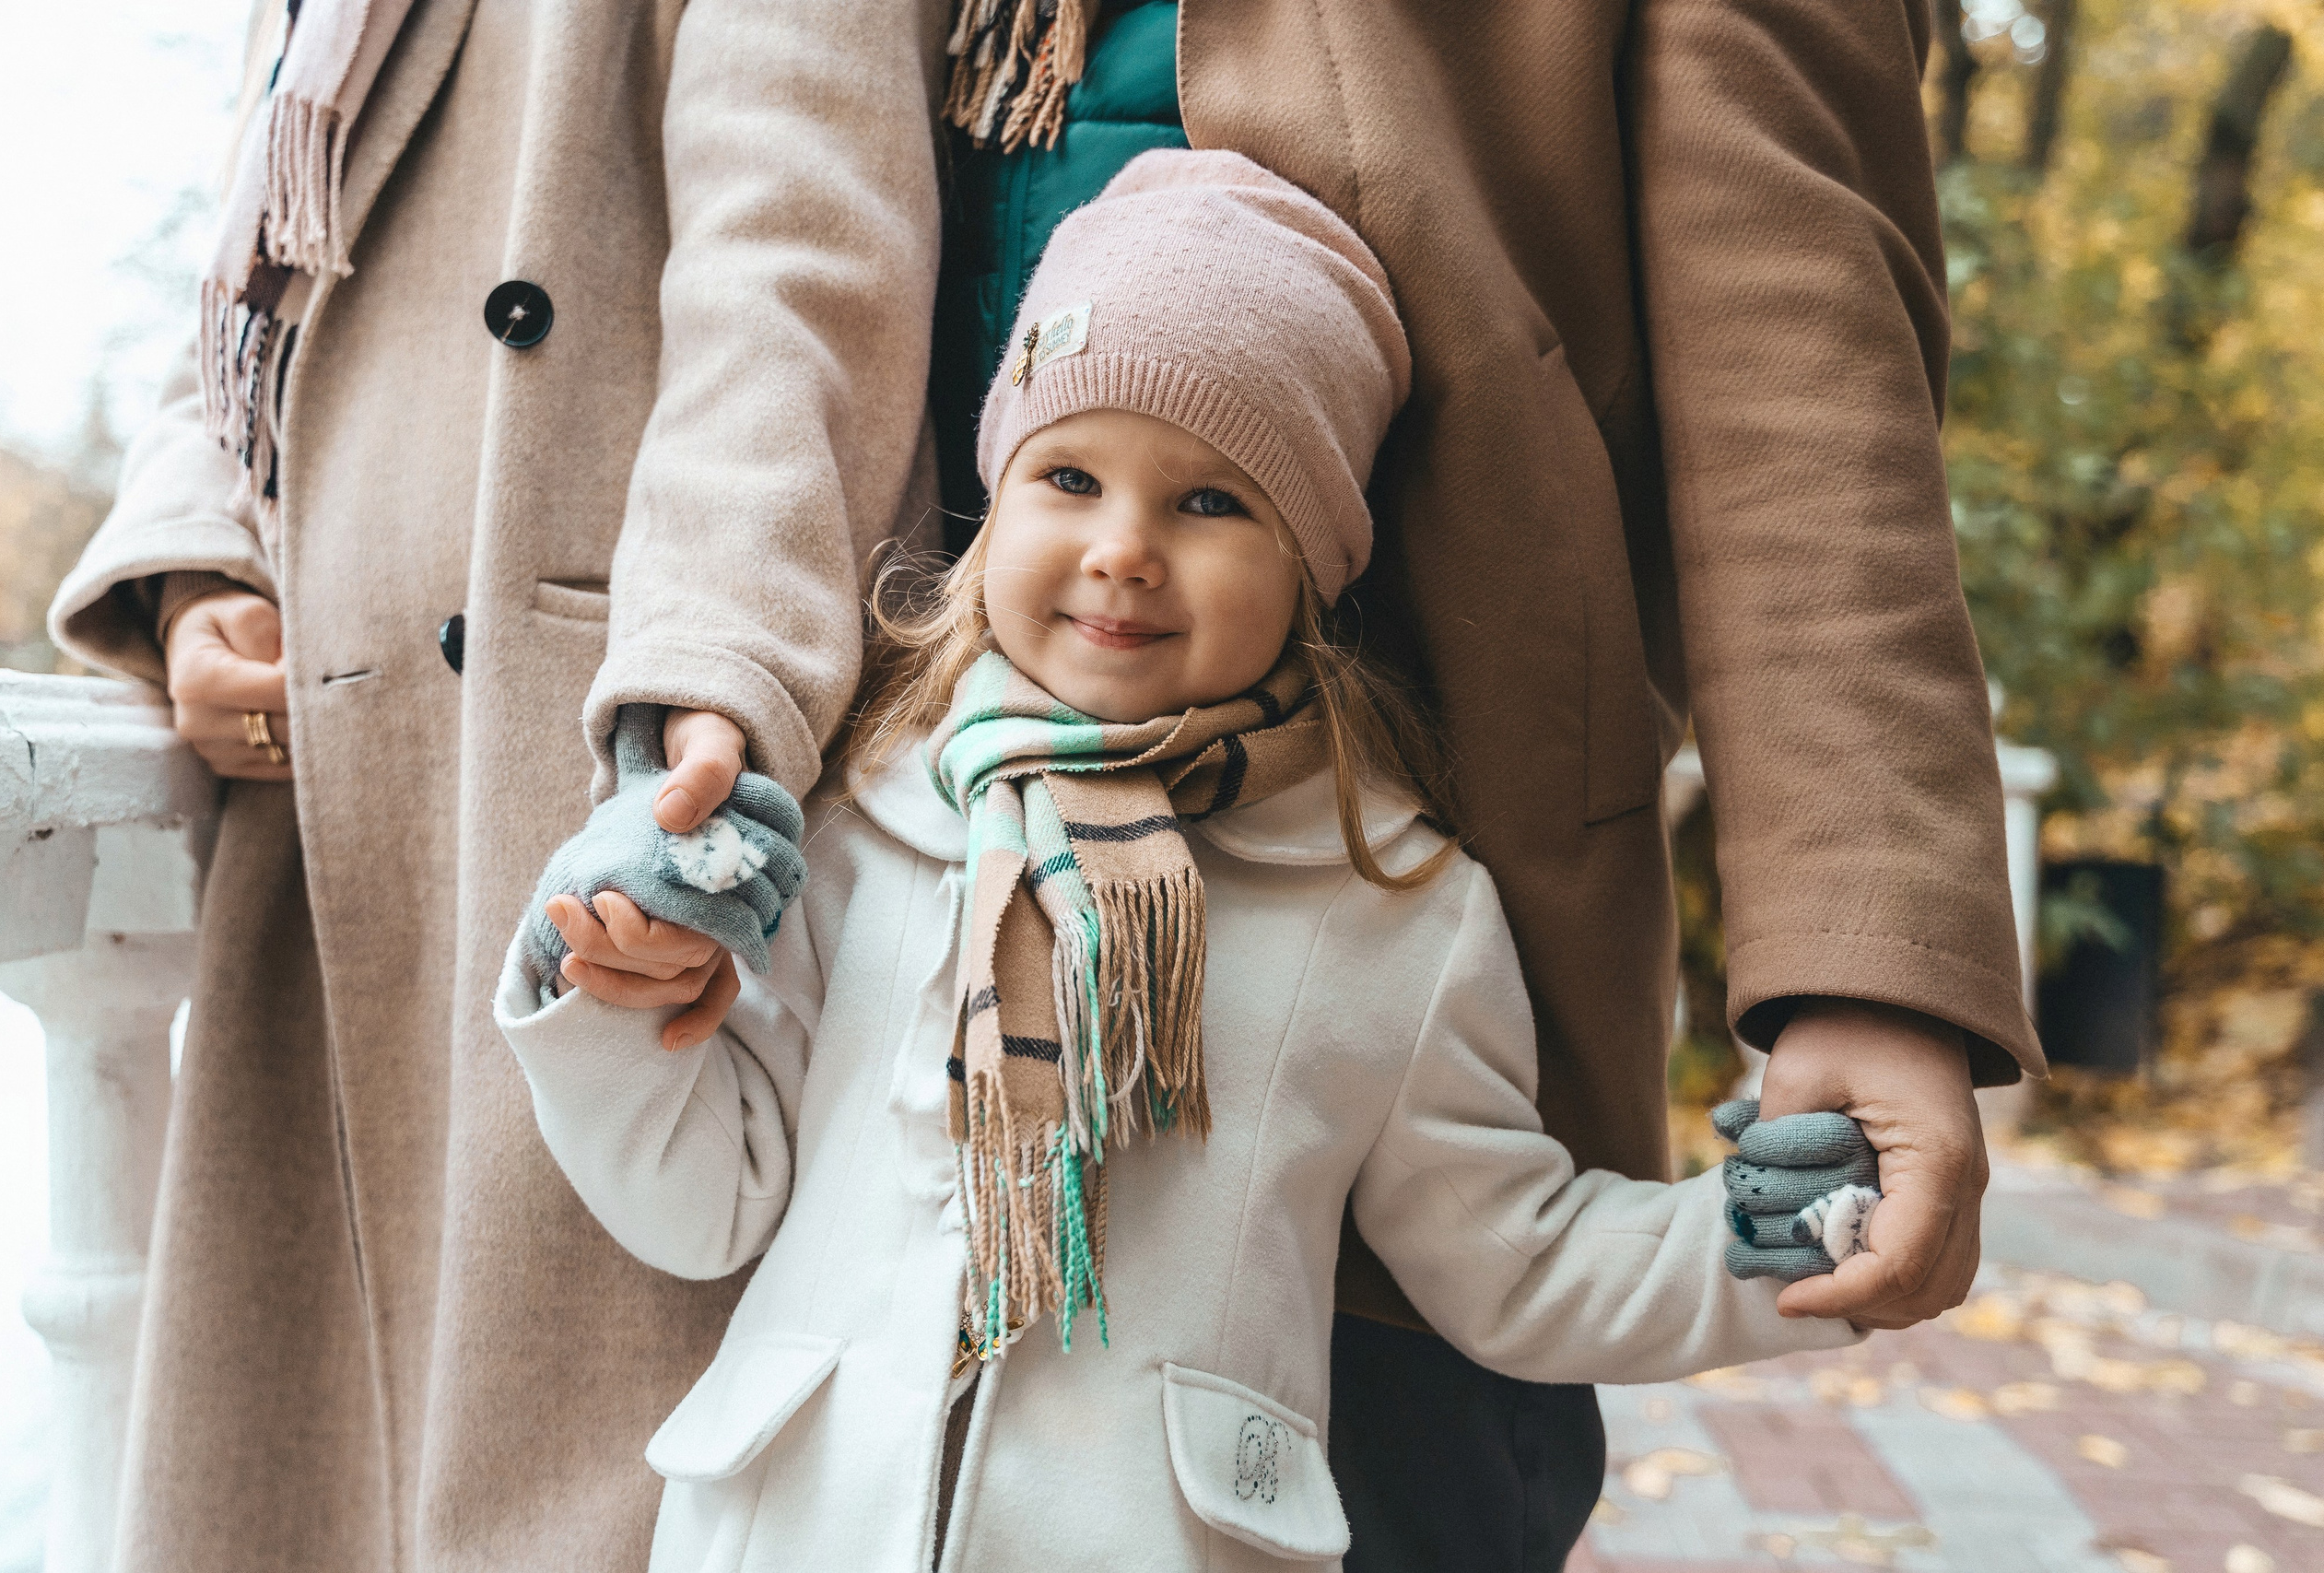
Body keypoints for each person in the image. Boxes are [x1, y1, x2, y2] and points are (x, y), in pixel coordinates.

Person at [499, 149, 1867, 1573]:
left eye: (1212, 503)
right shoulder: (865, 822)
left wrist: (1773, 1241)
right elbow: (701, 1200)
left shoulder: (1393, 911)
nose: (1123, 551)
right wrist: (595, 989)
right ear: (996, 505)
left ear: (1316, 561)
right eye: (1071, 478)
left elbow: (1514, 1258)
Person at [922, 4, 2046, 1563]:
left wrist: (1872, 963)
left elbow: (1797, 343)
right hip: (929, 825)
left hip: (1419, 849)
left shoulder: (1415, 931)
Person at [44, 1, 942, 1567]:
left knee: (597, 1471)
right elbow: (251, 282)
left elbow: (798, 251)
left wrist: (714, 669)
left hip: (586, 767)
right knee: (305, 1486)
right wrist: (198, 568)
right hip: (340, 791)